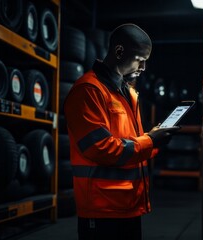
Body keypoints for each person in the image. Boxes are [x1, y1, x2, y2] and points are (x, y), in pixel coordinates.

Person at [63, 23, 179, 240]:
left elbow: (131, 144)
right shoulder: (88, 91)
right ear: (119, 52)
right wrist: (150, 141)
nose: (144, 67)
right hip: (102, 209)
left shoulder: (129, 93)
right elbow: (100, 148)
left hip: (129, 205)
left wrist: (154, 141)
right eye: (140, 59)